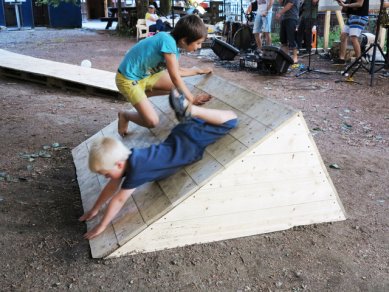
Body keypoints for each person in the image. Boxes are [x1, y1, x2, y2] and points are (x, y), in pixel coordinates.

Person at [79, 90, 238, 239]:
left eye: (106, 173)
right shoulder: (131, 157)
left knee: (231, 119)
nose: (107, 177)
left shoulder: (137, 170)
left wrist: (102, 225)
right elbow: (112, 187)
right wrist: (95, 209)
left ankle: (192, 110)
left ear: (119, 165)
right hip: (179, 135)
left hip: (190, 145)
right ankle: (189, 113)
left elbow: (119, 199)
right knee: (199, 122)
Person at [116, 15, 213, 137]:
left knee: (178, 90)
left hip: (147, 75)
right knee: (152, 121)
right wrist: (191, 99)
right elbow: (175, 77)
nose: (199, 47)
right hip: (129, 79)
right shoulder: (167, 42)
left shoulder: (172, 45)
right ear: (184, 40)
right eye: (198, 43)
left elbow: (177, 71)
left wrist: (197, 71)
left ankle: (143, 94)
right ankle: (125, 115)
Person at [333, 0, 369, 64]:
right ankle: (341, 59)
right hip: (351, 16)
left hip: (359, 16)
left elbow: (359, 4)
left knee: (353, 38)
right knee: (343, 36)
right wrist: (342, 3)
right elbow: (345, 9)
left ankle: (359, 60)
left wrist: (345, 5)